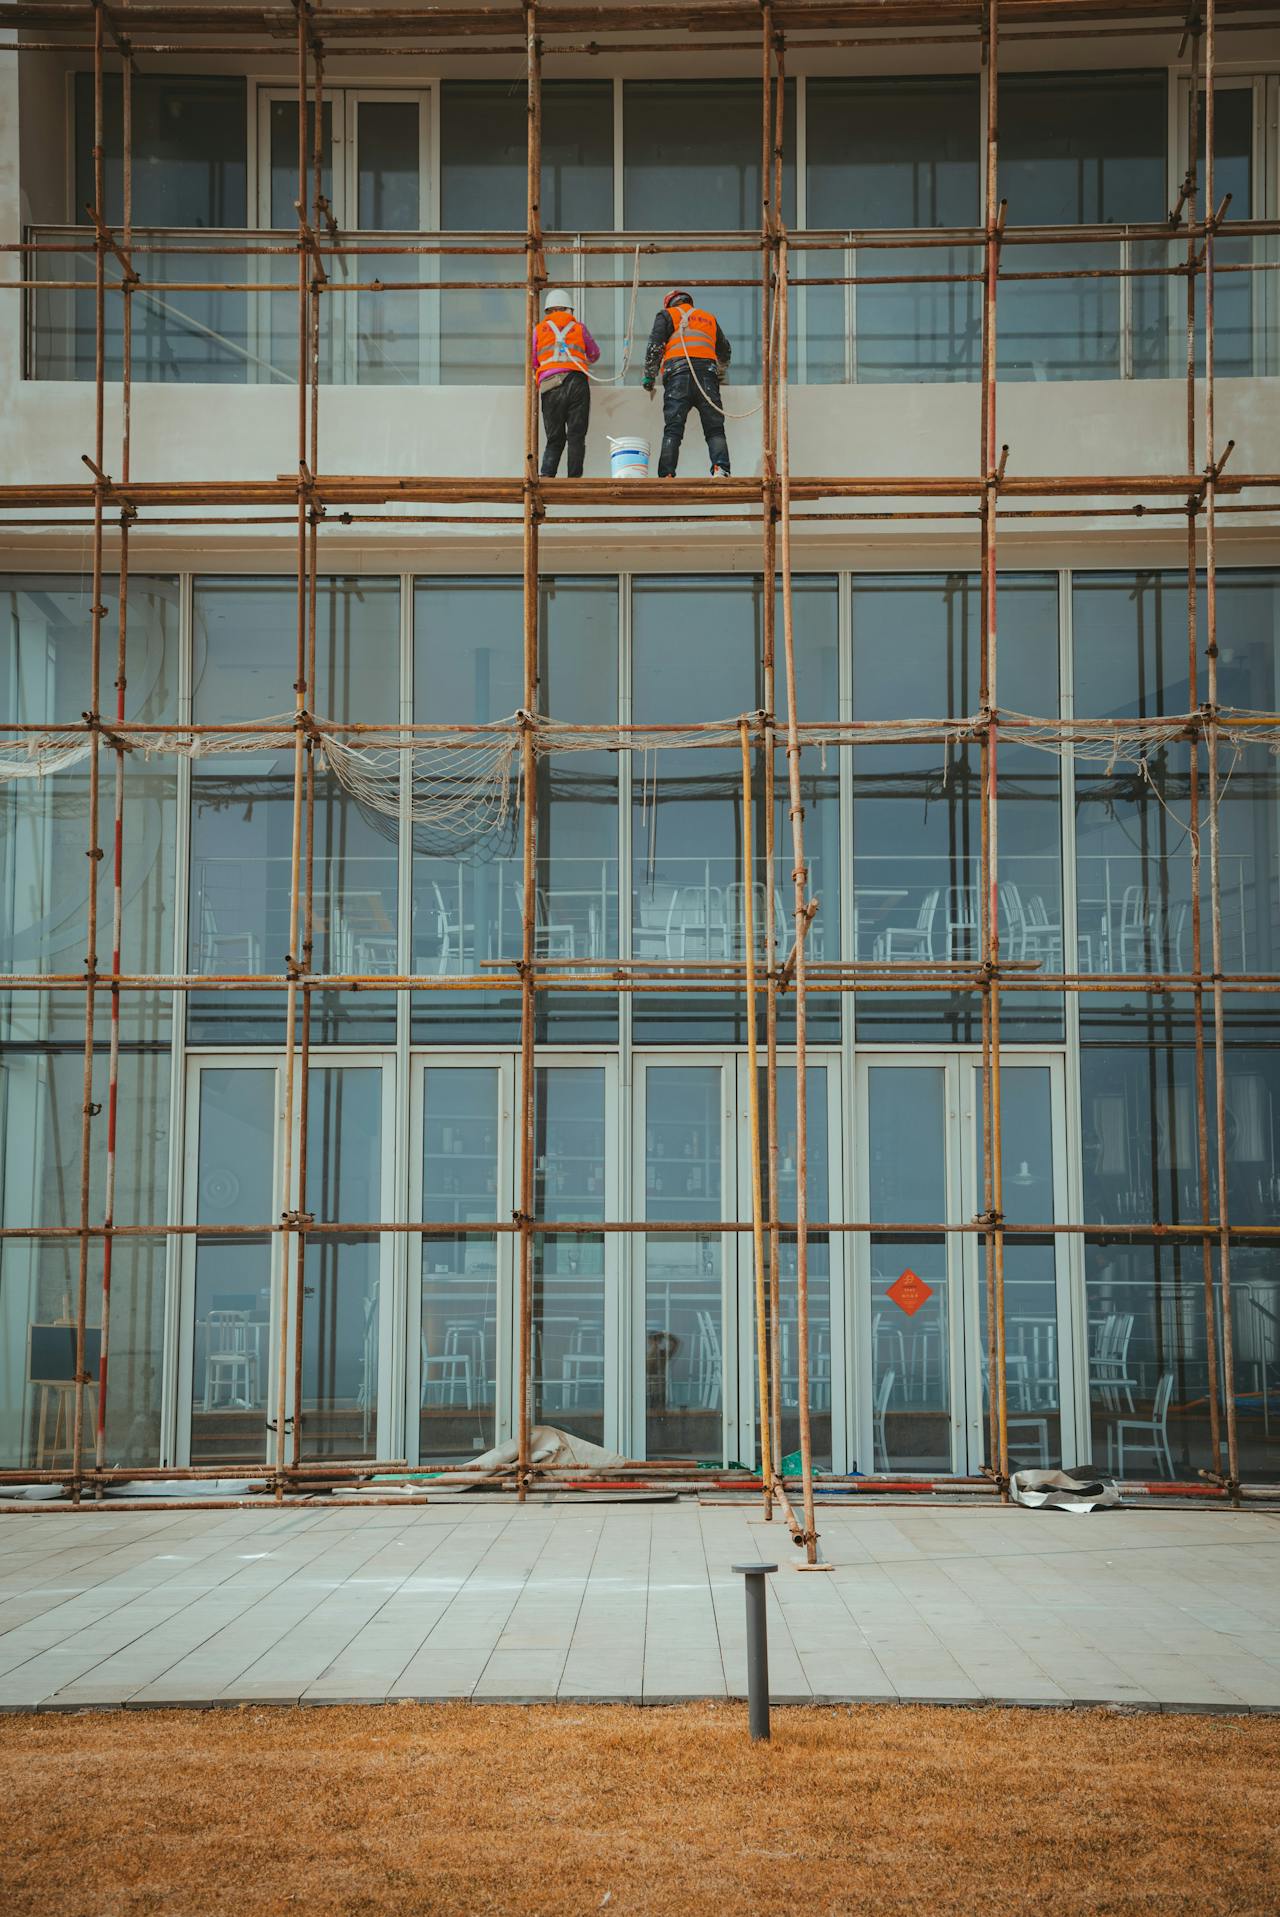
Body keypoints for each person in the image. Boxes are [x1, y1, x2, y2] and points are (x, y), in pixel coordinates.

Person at [642, 289, 732, 478]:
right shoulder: (708, 318)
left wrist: (649, 378)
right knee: (715, 428)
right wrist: (720, 373)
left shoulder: (667, 315)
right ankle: (720, 469)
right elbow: (724, 351)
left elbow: (655, 347)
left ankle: (666, 474)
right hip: (707, 377)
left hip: (677, 376)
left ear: (670, 304)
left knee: (673, 428)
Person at [533, 288, 600, 478]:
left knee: (554, 438)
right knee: (576, 436)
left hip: (550, 385)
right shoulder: (579, 328)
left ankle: (546, 474)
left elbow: (533, 361)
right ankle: (574, 478)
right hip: (576, 381)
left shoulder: (539, 330)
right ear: (569, 309)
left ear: (548, 311)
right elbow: (594, 354)